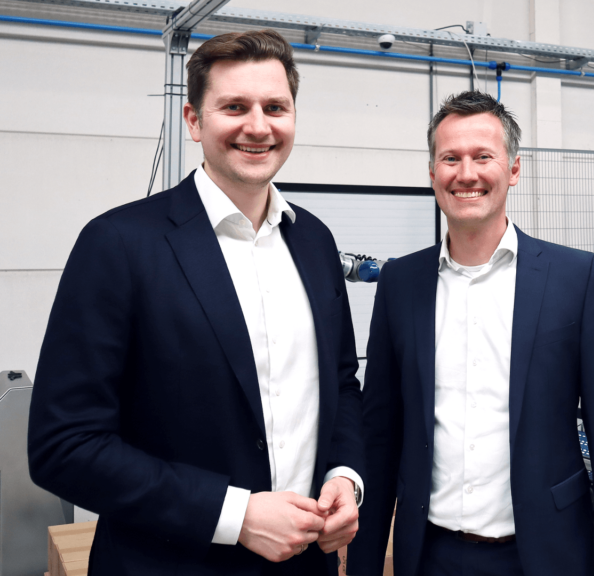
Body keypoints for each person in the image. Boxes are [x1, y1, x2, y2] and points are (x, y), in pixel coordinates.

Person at [28, 30, 365, 575]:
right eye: (234, 107)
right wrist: (235, 515)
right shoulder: (119, 244)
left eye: (275, 107)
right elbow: (64, 446)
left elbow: (343, 383)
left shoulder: (315, 242)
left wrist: (344, 476)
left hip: (306, 563)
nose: (258, 126)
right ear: (193, 120)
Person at [348, 91, 594, 576]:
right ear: (432, 172)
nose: (466, 174)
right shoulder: (401, 283)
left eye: (483, 156)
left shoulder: (574, 278)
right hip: (431, 557)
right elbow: (379, 436)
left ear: (513, 169)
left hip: (547, 556)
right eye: (450, 159)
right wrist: (363, 565)